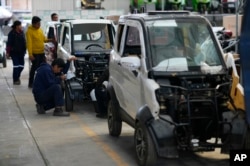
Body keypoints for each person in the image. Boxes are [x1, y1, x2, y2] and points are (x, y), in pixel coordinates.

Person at [26, 16, 54, 88]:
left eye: (40, 23)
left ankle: (41, 82)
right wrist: (30, 54)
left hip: (41, 52)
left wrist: (50, 40)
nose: (39, 25)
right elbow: (29, 43)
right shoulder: (29, 31)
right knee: (34, 68)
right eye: (38, 24)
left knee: (43, 67)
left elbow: (44, 39)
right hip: (35, 53)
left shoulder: (40, 30)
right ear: (33, 24)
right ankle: (31, 83)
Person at [6, 20, 26, 85]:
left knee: (21, 66)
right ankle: (15, 79)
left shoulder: (22, 33)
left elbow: (24, 42)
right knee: (16, 66)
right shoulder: (11, 34)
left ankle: (17, 76)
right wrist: (8, 52)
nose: (21, 26)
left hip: (21, 52)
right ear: (17, 26)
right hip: (14, 53)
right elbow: (9, 44)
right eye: (20, 25)